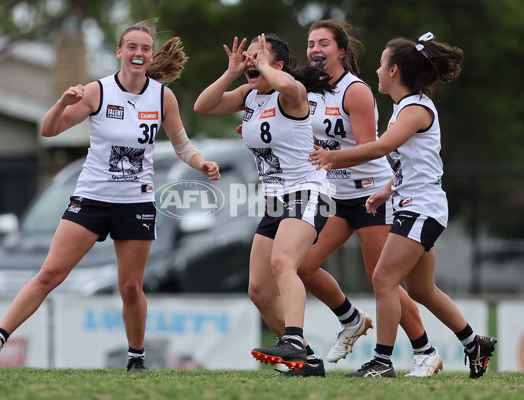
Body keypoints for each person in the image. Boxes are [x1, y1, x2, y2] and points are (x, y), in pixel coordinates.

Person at [0, 20, 220, 373]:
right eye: (132, 47)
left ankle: (136, 358)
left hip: (136, 203)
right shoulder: (97, 91)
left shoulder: (162, 96)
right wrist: (62, 103)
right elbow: (49, 130)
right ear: (119, 52)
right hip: (92, 198)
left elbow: (182, 144)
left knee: (131, 287)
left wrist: (201, 162)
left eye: (145, 48)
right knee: (49, 274)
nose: (138, 53)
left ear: (150, 55)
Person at [310, 32, 496, 379]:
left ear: (394, 70)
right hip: (414, 204)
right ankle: (475, 343)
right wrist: (386, 189)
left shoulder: (415, 109)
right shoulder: (404, 108)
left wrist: (332, 156)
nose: (377, 71)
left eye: (381, 64)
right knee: (422, 289)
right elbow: (417, 163)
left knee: (382, 278)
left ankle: (381, 362)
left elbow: (379, 149)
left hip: (421, 208)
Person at [292, 19, 442, 378]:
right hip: (338, 195)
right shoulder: (308, 89)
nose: (315, 49)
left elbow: (368, 150)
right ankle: (352, 320)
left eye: (324, 43)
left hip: (372, 194)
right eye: (311, 43)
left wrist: (330, 157)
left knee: (384, 280)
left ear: (341, 52)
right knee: (303, 265)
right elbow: (305, 137)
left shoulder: (355, 91)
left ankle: (425, 350)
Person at [194, 33, 334, 373]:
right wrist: (230, 72)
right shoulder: (249, 96)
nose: (251, 63)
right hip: (275, 200)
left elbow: (290, 87)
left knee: (283, 262)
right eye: (249, 58)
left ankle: (295, 341)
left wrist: (264, 66)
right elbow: (203, 106)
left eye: (259, 57)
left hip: (309, 191)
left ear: (278, 65)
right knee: (258, 290)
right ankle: (309, 360)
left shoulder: (292, 95)